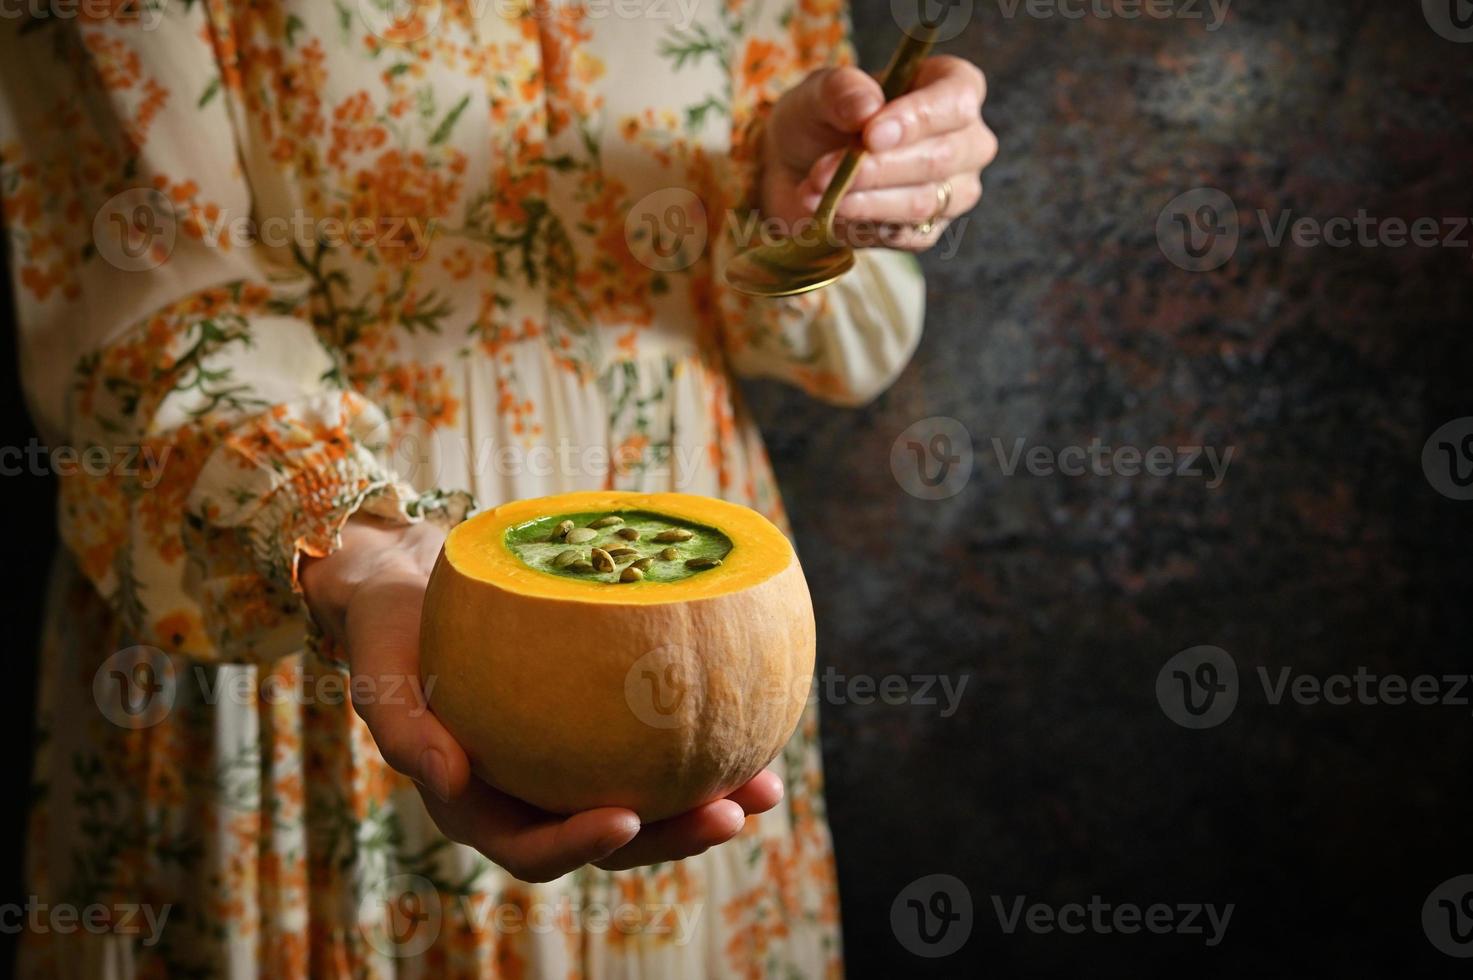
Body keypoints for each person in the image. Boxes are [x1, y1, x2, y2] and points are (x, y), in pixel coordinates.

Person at [0, 1, 995, 975]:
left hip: (700, 608)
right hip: (311, 602)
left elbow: (823, 337)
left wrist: (802, 193)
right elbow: (145, 309)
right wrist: (351, 544)